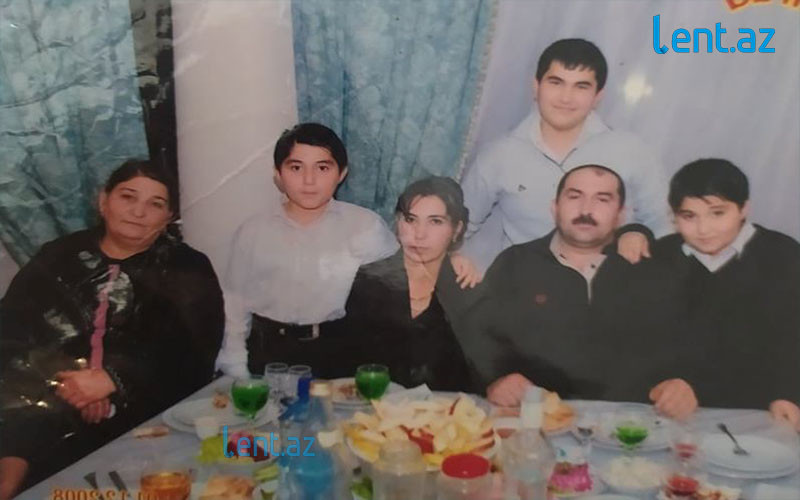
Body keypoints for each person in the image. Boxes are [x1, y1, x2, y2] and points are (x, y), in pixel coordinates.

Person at [0, 160, 224, 499]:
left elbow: (194, 354)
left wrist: (113, 380)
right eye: (127, 197)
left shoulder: (188, 268)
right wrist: (70, 384)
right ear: (103, 201)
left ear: (169, 217)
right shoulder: (57, 256)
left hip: (145, 416)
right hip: (42, 408)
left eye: (155, 204)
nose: (139, 212)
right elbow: (10, 332)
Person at [215, 123, 480, 380]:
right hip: (267, 354)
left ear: (341, 173)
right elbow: (235, 304)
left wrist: (454, 257)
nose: (309, 180)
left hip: (338, 357)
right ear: (278, 173)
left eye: (322, 168)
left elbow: (408, 263)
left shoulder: (365, 226)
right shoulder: (253, 232)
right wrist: (235, 365)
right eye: (296, 167)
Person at [476, 164, 697, 419]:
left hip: (632, 426)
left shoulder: (650, 269)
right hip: (535, 421)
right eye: (574, 196)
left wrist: (683, 383)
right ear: (554, 207)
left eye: (602, 199)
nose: (586, 210)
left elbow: (683, 345)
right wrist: (494, 380)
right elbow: (481, 339)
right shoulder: (515, 263)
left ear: (621, 215)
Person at [460, 38, 669, 270]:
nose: (566, 98)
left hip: (608, 288)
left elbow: (665, 227)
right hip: (524, 288)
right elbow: (456, 227)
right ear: (536, 86)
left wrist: (638, 236)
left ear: (598, 96)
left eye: (581, 86)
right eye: (556, 82)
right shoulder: (499, 155)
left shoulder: (631, 150)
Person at [652, 159, 800, 409]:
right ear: (674, 216)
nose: (703, 229)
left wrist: (788, 395)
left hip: (763, 405)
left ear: (744, 209)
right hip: (678, 406)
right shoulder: (660, 256)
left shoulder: (784, 255)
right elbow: (645, 341)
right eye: (689, 216)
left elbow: (792, 339)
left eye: (717, 213)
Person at [345, 177, 476, 391]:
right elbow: (347, 365)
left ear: (457, 229)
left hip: (445, 409)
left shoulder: (467, 288)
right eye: (410, 219)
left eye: (435, 221)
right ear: (398, 223)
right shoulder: (369, 280)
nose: (419, 234)